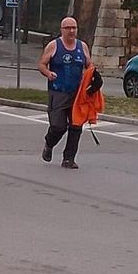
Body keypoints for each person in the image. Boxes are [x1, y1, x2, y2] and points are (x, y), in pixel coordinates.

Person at [39, 16, 92, 169]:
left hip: (77, 94)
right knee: (58, 126)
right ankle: (49, 143)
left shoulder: (82, 46)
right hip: (58, 92)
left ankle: (69, 158)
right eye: (68, 28)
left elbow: (89, 65)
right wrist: (48, 73)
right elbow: (42, 64)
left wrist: (90, 78)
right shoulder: (54, 45)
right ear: (62, 30)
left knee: (76, 126)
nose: (71, 31)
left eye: (74, 28)